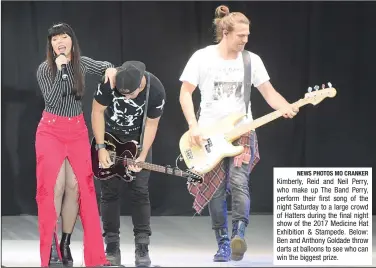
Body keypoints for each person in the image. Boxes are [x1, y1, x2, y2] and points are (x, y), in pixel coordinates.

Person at [178, 5, 299, 263]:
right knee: (215, 191)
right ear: (225, 32)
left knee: (238, 180)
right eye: (240, 36)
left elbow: (268, 92)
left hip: (243, 129)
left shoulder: (251, 61)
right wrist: (193, 125)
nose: (245, 40)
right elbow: (185, 92)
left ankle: (238, 235)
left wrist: (286, 106)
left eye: (247, 36)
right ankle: (222, 242)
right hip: (208, 134)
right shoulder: (202, 57)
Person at [35, 22, 117, 267]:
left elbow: (107, 66)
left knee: (75, 187)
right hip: (50, 130)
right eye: (55, 39)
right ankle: (50, 246)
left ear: (72, 40)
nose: (60, 41)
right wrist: (60, 70)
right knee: (55, 186)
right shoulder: (44, 69)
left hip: (77, 130)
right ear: (51, 45)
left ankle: (65, 242)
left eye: (64, 37)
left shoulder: (81, 63)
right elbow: (50, 98)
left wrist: (111, 70)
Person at [91, 61, 166, 267]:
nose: (125, 98)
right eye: (122, 94)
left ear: (141, 84)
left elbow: (152, 124)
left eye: (130, 94)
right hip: (110, 142)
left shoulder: (155, 89)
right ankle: (112, 246)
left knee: (140, 192)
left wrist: (142, 156)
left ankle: (142, 246)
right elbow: (97, 112)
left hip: (138, 143)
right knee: (109, 193)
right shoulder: (109, 82)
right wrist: (100, 147)